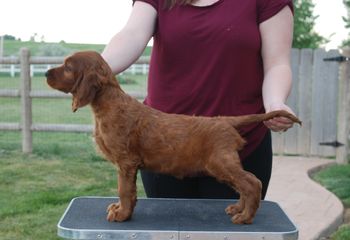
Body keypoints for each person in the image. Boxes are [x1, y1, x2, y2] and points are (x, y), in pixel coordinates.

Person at [101, 0, 295, 200]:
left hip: (237, 143)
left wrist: (275, 102)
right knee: (169, 230)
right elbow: (132, 34)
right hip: (162, 145)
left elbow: (277, 63)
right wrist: (91, 70)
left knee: (233, 229)